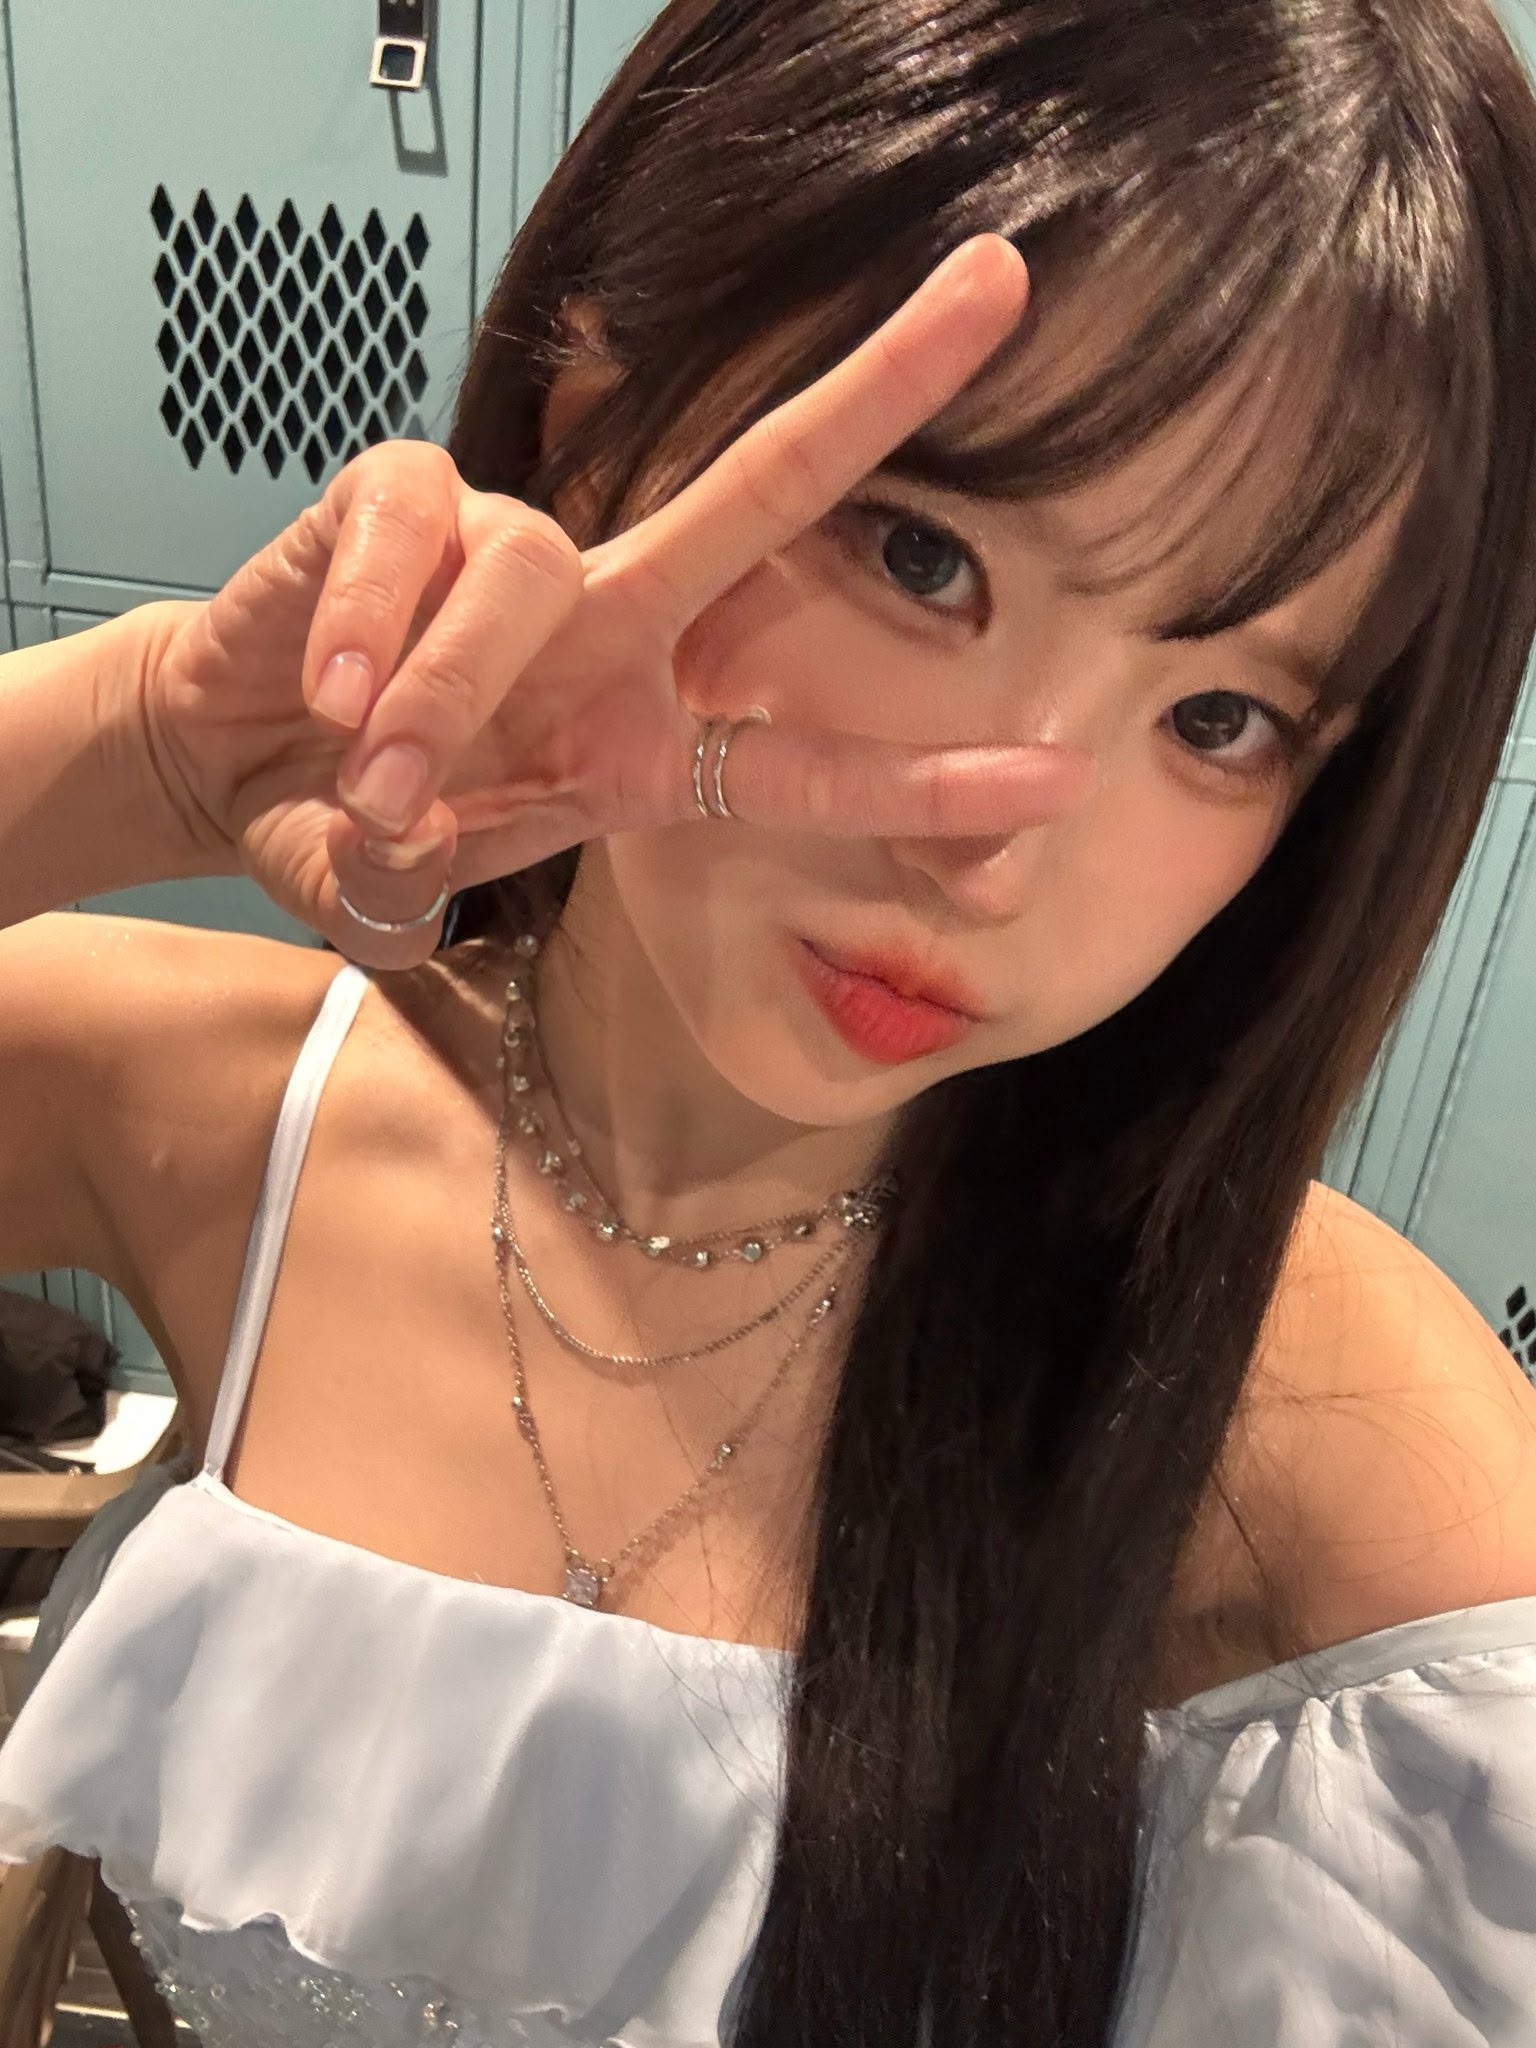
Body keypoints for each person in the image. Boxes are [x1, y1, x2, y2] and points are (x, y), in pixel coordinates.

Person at [3, 0, 1536, 2040]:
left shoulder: (1316, 1414)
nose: (998, 854)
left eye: (1220, 717)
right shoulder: (203, 1112)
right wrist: (128, 749)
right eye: (922, 553)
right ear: (589, 426)